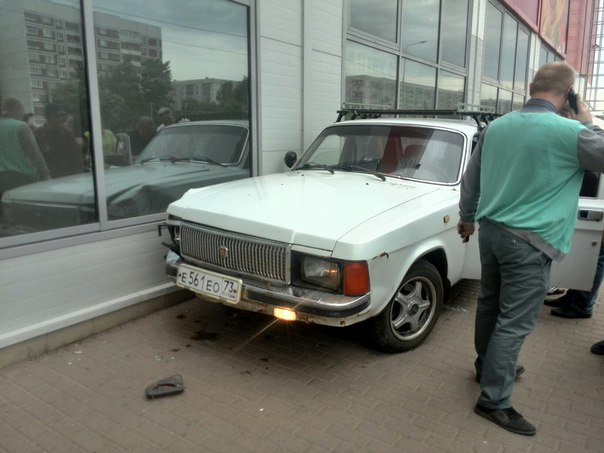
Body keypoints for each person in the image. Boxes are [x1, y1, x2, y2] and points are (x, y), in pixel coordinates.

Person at [457, 61, 604, 436]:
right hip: (529, 243)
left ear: (530, 86)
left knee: (490, 303)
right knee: (514, 322)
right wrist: (585, 119)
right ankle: (494, 400)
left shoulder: (497, 127)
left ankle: (485, 365)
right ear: (568, 93)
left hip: (490, 232)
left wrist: (467, 218)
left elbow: (470, 179)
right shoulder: (573, 133)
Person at [0, 97, 50, 197]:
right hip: (22, 178)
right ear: (15, 110)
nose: (22, 115)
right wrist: (46, 175)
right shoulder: (21, 126)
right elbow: (34, 153)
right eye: (22, 112)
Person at [35, 103, 84, 178]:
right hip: (46, 179)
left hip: (65, 178)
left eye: (62, 115)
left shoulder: (67, 134)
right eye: (56, 115)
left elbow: (76, 160)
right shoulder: (37, 134)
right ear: (46, 116)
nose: (60, 118)